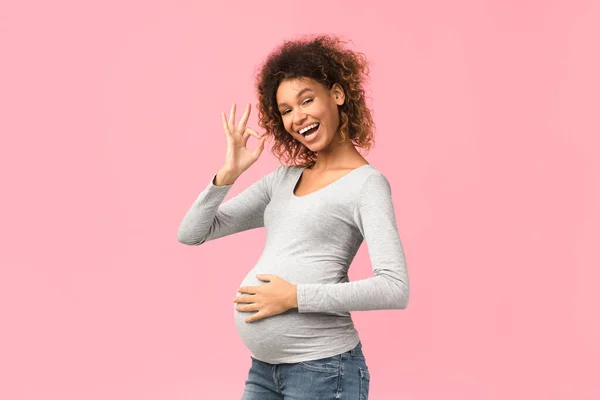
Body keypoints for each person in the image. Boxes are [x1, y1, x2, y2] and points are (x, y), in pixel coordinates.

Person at [177, 34, 409, 400]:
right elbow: (192, 233)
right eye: (286, 110)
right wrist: (228, 174)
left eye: (307, 100)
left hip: (325, 370)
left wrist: (294, 297)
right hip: (263, 370)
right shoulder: (282, 180)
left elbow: (395, 288)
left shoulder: (366, 184)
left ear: (337, 94)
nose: (297, 117)